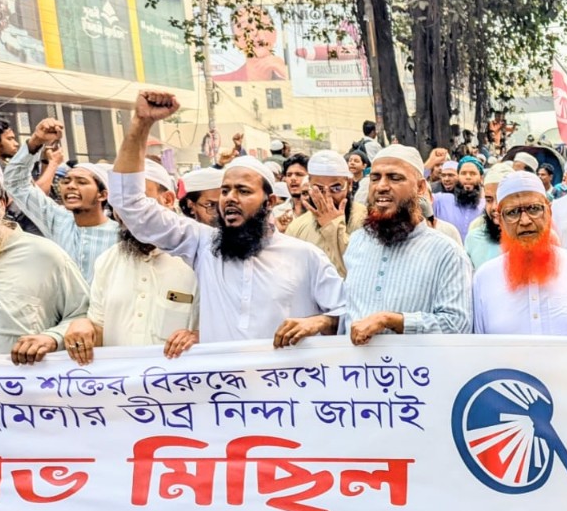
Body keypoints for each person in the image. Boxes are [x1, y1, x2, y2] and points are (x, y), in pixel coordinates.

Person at [110, 91, 345, 346]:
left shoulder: (305, 256)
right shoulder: (203, 245)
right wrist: (141, 123)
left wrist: (320, 322)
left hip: (285, 373)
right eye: (225, 191)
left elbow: (345, 314)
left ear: (270, 202)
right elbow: (130, 204)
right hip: (222, 374)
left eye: (243, 191)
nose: (230, 198)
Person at [63, 160, 199, 363]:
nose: (126, 211)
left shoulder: (198, 258)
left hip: (181, 380)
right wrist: (83, 327)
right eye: (119, 202)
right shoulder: (107, 261)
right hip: (123, 381)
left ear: (168, 199)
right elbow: (99, 331)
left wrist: (199, 336)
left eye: (136, 201)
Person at [472, 171, 567, 349]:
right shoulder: (484, 278)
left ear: (549, 211)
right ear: (500, 219)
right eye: (512, 212)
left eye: (534, 209)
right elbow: (477, 350)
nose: (525, 221)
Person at [344, 145, 473, 344]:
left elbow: (457, 325)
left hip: (419, 365)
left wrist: (392, 321)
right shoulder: (357, 241)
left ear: (420, 188)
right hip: (356, 364)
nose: (381, 186)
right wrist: (324, 322)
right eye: (375, 178)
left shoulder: (447, 252)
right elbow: (349, 312)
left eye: (395, 178)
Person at [0, 157, 90, 364]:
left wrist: (52, 338)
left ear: (3, 202)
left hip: (17, 382)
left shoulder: (45, 256)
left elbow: (83, 315)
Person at [5, 117, 118, 283]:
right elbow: (16, 184)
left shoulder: (121, 236)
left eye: (82, 182)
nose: (71, 186)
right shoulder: (58, 220)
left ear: (102, 195)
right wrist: (36, 141)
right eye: (66, 181)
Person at [285, 150, 367, 277]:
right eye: (319, 189)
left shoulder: (366, 219)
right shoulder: (296, 228)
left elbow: (362, 271)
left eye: (336, 188)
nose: (327, 197)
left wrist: (332, 226)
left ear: (349, 184)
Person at [464, 162, 511, 268]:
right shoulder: (474, 238)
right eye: (489, 200)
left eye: (500, 199)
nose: (495, 207)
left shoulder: (530, 239)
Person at [434, 156, 485, 239]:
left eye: (473, 173)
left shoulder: (486, 206)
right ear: (458, 177)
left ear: (481, 178)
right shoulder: (441, 201)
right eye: (463, 173)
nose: (468, 177)